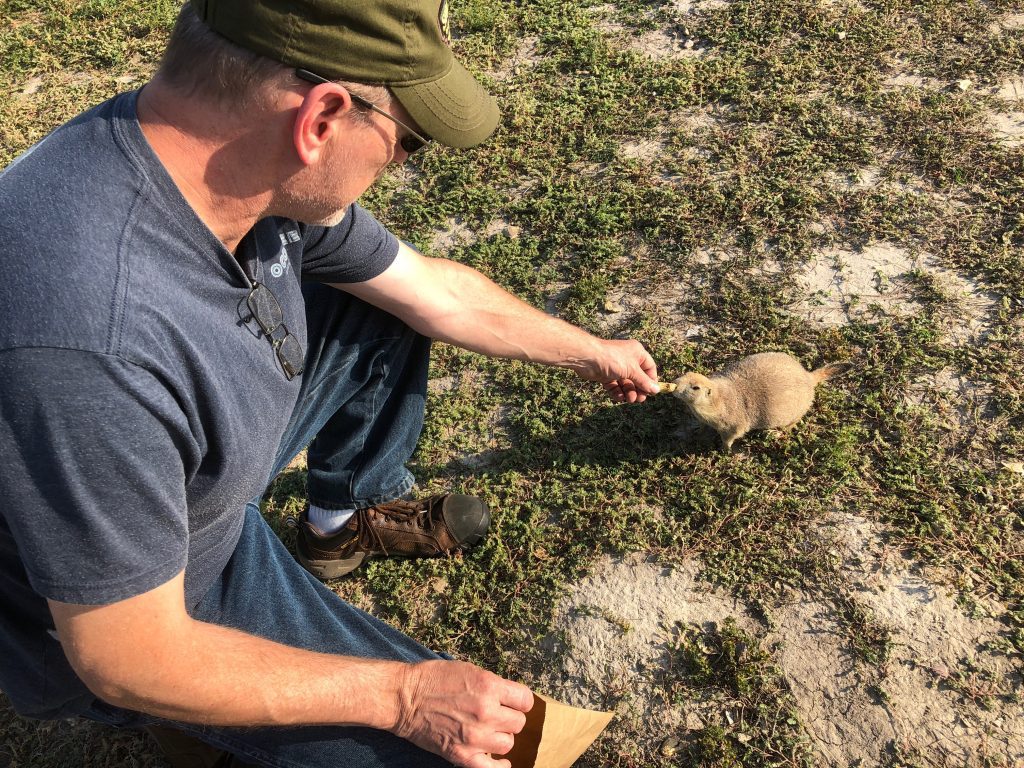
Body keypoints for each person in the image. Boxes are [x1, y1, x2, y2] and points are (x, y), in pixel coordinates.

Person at [0, 1, 660, 766]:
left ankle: (335, 526)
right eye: (406, 142)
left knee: (374, 305)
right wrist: (402, 697)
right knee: (485, 754)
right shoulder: (93, 342)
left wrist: (589, 350)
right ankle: (188, 726)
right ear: (321, 119)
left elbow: (429, 292)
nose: (401, 164)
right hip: (155, 595)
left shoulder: (213, 160)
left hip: (187, 478)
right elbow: (124, 655)